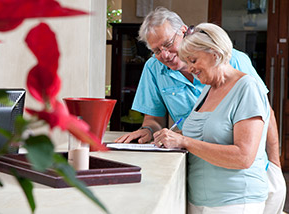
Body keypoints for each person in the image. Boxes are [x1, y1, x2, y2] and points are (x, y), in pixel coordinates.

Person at [114, 7, 286, 213]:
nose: (165, 55)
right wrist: (150, 130)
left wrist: (275, 166)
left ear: (184, 32)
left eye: (168, 45)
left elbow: (265, 115)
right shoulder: (163, 71)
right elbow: (157, 120)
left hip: (240, 184)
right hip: (199, 180)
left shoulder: (237, 67)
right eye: (156, 51)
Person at [153, 22, 269, 213]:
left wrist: (184, 141)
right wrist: (170, 137)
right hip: (199, 199)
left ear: (215, 54)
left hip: (235, 201)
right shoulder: (208, 88)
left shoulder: (247, 88)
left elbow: (243, 157)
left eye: (193, 60)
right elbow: (204, 133)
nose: (190, 68)